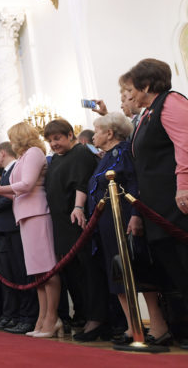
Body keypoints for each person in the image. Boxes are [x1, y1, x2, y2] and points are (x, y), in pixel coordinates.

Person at [88, 112, 169, 345]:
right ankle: (133, 327)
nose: (94, 136)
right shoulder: (105, 156)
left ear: (110, 133)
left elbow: (134, 183)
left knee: (136, 270)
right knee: (118, 273)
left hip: (123, 216)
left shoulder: (123, 151)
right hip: (106, 222)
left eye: (97, 131)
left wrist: (135, 215)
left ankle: (158, 326)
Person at [125, 58, 188, 347]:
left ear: (147, 85)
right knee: (175, 269)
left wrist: (184, 186)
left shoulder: (170, 101)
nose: (131, 95)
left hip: (177, 202)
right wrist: (139, 212)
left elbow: (185, 144)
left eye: (132, 88)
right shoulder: (148, 113)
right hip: (156, 207)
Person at [0, 122, 61, 338]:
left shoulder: (34, 153)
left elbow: (27, 185)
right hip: (24, 214)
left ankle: (52, 318)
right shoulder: (24, 158)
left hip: (37, 213)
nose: (12, 143)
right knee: (36, 273)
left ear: (21, 137)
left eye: (13, 138)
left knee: (46, 269)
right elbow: (17, 192)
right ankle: (42, 318)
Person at [43, 118, 109, 341]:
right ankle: (83, 315)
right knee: (72, 276)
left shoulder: (80, 153)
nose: (54, 144)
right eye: (50, 140)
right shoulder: (54, 161)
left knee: (88, 273)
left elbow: (82, 182)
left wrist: (78, 207)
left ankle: (97, 319)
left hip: (77, 224)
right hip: (61, 227)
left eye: (58, 138)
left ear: (70, 135)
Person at [0, 141, 39, 335]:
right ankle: (17, 315)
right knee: (13, 276)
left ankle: (27, 316)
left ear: (3, 153)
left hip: (14, 226)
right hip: (6, 229)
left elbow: (13, 195)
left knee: (22, 275)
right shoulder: (7, 173)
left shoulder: (14, 169)